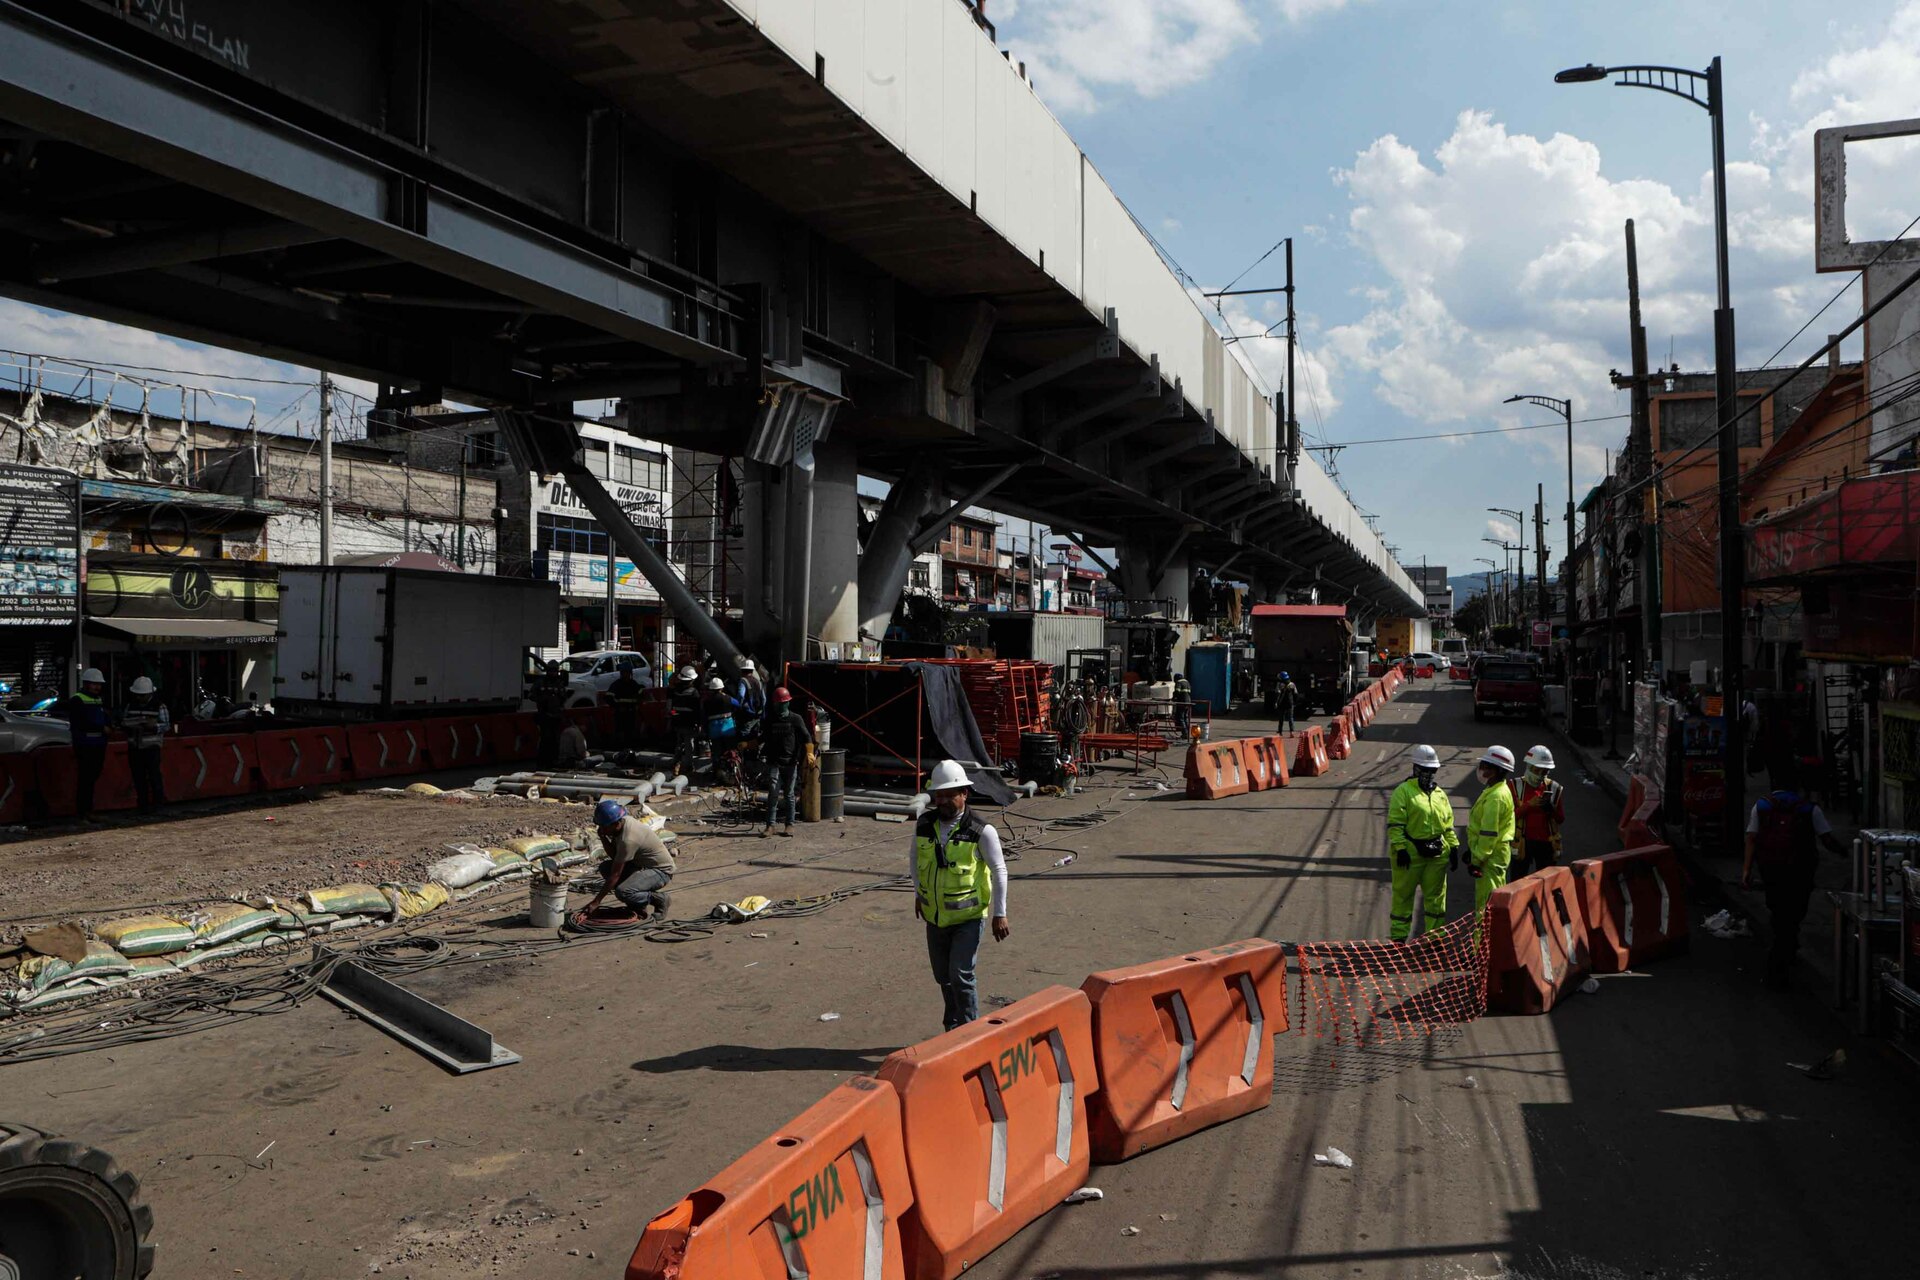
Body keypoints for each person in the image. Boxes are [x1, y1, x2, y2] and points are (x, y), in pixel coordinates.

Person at [913, 759, 1010, 1032]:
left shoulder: (981, 830)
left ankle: (970, 1032)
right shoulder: (924, 824)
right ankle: (952, 1028)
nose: (942, 801)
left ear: (964, 794)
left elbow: (999, 870)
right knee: (944, 977)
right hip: (935, 916)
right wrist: (918, 893)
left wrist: (999, 913)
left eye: (949, 795)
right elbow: (914, 859)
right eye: (938, 795)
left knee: (961, 975)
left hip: (968, 917)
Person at [1742, 764, 1845, 990]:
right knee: (1792, 915)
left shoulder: (1762, 806)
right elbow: (1827, 840)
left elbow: (1751, 838)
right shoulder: (1809, 809)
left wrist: (1747, 870)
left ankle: (1782, 955)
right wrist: (1845, 852)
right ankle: (1781, 958)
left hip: (1771, 869)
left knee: (1779, 913)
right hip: (1800, 871)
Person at [1385, 744, 1459, 940]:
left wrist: (1453, 847)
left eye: (1432, 771)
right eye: (1425, 770)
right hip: (1410, 855)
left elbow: (1448, 824)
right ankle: (1399, 939)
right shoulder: (1403, 792)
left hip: (1436, 855)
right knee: (1403, 897)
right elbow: (1395, 824)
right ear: (1416, 769)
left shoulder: (1439, 795)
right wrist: (1400, 848)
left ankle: (1434, 940)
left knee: (1436, 900)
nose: (1429, 774)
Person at [585, 798, 676, 918]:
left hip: (660, 871)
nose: (601, 829)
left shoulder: (628, 839)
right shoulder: (622, 823)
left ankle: (660, 899)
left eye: (603, 827)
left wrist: (596, 901)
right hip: (641, 866)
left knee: (623, 892)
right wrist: (603, 837)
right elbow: (614, 856)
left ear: (616, 824)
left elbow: (615, 875)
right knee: (605, 867)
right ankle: (637, 905)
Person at [1465, 744, 1518, 916]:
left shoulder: (1495, 797)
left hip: (1489, 857)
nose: (1480, 769)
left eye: (1485, 766)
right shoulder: (1497, 790)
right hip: (1494, 854)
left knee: (1486, 908)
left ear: (1494, 771)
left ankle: (1483, 943)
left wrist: (1476, 860)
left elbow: (1488, 834)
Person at [759, 686, 813, 837]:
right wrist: (748, 744)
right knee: (773, 793)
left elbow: (806, 737)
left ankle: (790, 825)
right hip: (774, 762)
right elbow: (762, 738)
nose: (781, 706)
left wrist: (809, 753)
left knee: (789, 795)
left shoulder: (796, 719)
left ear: (788, 703)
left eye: (784, 703)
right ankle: (771, 826)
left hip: (790, 763)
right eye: (779, 703)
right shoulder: (770, 720)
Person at [62, 667, 110, 821]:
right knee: (86, 778)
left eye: (99, 684)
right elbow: (80, 722)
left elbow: (103, 716)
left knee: (92, 776)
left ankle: (87, 810)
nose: (97, 687)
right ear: (86, 683)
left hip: (98, 743)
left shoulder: (98, 699)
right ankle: (84, 811)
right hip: (86, 744)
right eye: (94, 684)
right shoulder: (78, 699)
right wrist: (101, 727)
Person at [1512, 745, 1565, 877]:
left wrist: (1550, 809)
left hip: (1546, 843)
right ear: (1529, 767)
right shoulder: (1514, 786)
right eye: (1538, 770)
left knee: (1546, 883)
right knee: (1518, 881)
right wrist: (1529, 805)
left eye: (1545, 772)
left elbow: (1560, 819)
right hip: (1522, 843)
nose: (1540, 775)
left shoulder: (1554, 787)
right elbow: (1508, 818)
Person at [119, 676, 170, 813]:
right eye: (138, 695)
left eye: (142, 695)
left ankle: (158, 805)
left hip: (151, 747)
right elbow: (124, 721)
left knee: (154, 777)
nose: (140, 698)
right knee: (139, 778)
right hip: (135, 747)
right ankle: (143, 805)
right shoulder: (131, 706)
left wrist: (154, 727)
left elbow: (166, 725)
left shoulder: (159, 706)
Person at [533, 659, 569, 768]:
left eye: (555, 671)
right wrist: (542, 700)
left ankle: (553, 762)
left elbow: (563, 698)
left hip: (556, 717)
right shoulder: (540, 682)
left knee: (555, 741)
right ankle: (542, 763)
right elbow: (531, 695)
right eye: (551, 671)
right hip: (545, 716)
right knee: (545, 740)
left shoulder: (559, 683)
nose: (553, 673)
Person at [668, 665, 703, 776]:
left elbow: (671, 709)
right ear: (691, 679)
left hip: (677, 722)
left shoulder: (674, 690)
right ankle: (687, 767)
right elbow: (697, 710)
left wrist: (675, 716)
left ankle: (675, 763)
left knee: (679, 743)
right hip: (688, 723)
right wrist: (698, 723)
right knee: (689, 746)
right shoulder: (694, 692)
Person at [607, 661, 644, 751]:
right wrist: (617, 707)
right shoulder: (616, 685)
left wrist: (637, 704)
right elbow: (608, 697)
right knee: (620, 733)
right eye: (624, 672)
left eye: (627, 672)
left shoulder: (633, 684)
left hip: (631, 713)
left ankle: (630, 750)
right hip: (620, 714)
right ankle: (620, 750)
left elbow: (640, 695)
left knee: (630, 733)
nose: (625, 674)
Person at [1171, 672, 1193, 738]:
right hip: (1188, 702)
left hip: (1182, 702)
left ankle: (1185, 733)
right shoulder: (1187, 682)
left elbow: (1177, 691)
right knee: (1186, 718)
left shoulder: (1179, 682)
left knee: (1181, 718)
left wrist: (1173, 697)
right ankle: (1188, 733)